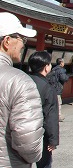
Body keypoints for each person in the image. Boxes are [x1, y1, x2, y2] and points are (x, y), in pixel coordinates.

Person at [0, 12, 44, 167]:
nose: (23, 44)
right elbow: (29, 142)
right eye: (21, 39)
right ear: (7, 41)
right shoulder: (19, 81)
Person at [29, 51, 59, 168]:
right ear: (46, 67)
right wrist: (53, 140)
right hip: (40, 133)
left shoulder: (23, 81)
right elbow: (50, 116)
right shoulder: (47, 87)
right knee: (44, 164)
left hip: (20, 129)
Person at [48, 57, 69, 122]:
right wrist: (67, 77)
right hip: (58, 88)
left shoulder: (53, 69)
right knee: (58, 102)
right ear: (61, 63)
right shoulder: (61, 70)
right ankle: (58, 116)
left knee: (53, 102)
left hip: (52, 87)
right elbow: (63, 78)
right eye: (63, 62)